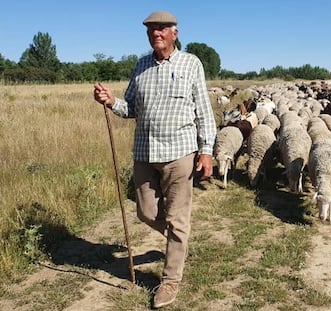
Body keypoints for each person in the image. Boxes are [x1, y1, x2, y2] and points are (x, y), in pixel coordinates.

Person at [93, 10, 217, 309]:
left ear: (175, 33)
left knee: (177, 217)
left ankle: (170, 279)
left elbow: (203, 110)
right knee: (146, 212)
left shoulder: (191, 63)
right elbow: (130, 107)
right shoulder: (141, 65)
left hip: (180, 153)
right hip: (145, 153)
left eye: (161, 29)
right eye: (151, 30)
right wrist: (111, 102)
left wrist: (207, 150)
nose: (155, 33)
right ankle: (180, 239)